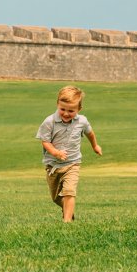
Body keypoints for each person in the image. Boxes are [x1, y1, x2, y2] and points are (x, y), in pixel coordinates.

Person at [37, 85, 102, 222]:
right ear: (57, 105)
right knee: (55, 197)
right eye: (62, 109)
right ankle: (68, 211)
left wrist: (95, 146)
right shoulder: (49, 122)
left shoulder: (82, 121)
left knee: (69, 192)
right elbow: (45, 141)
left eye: (71, 111)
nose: (66, 113)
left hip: (72, 163)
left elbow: (90, 133)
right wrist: (55, 152)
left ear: (79, 109)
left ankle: (67, 222)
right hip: (53, 165)